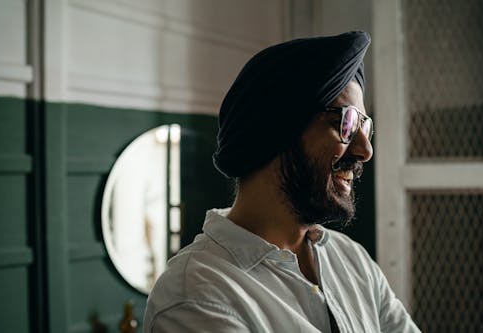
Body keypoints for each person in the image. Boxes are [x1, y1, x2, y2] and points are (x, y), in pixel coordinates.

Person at [144, 31, 420, 332]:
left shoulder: (352, 260)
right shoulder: (197, 295)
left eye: (365, 127)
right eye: (347, 123)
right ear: (276, 132)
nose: (365, 151)